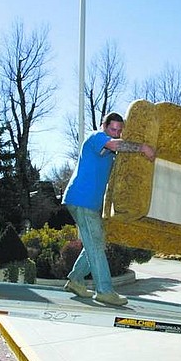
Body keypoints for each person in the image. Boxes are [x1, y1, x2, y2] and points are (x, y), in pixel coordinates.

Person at [62, 112, 155, 305]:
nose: (116, 133)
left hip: (89, 203)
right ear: (104, 127)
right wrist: (142, 147)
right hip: (81, 199)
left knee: (94, 243)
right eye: (113, 129)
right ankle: (104, 291)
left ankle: (76, 280)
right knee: (96, 244)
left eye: (120, 130)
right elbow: (115, 144)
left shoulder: (109, 154)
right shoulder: (96, 137)